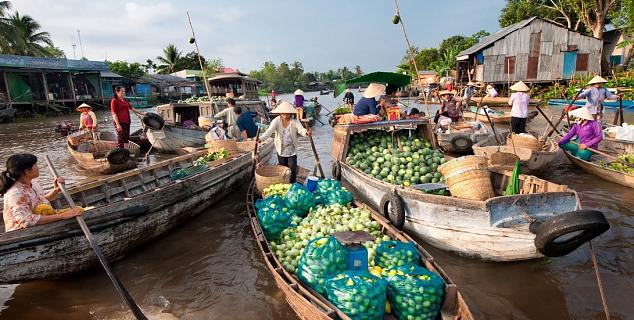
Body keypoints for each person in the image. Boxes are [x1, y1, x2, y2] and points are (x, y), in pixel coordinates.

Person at [2, 154, 83, 232]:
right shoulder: (16, 193)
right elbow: (26, 220)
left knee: (79, 210)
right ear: (27, 171)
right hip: (23, 233)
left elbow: (38, 202)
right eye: (36, 166)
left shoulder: (32, 184)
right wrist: (62, 216)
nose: (38, 168)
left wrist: (56, 190)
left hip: (39, 227)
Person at [260, 101, 310, 183]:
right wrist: (261, 139)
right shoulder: (276, 121)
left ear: (290, 113)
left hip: (292, 151)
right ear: (280, 114)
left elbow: (301, 130)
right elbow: (269, 131)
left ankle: (292, 185)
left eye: (288, 114)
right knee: (283, 170)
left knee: (292, 170)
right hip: (281, 149)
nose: (286, 115)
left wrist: (306, 132)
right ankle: (284, 184)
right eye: (284, 114)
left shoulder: (294, 121)